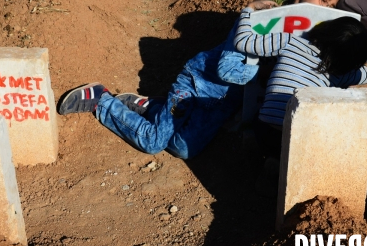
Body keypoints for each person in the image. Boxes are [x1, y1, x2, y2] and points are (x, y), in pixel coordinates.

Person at [57, 19, 259, 159]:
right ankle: (100, 99)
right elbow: (227, 70)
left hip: (219, 104)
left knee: (183, 149)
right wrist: (262, 72)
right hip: (195, 85)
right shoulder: (258, 20)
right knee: (152, 142)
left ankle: (153, 107)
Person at [234, 0, 367, 158]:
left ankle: (266, 158)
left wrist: (249, 9)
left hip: (265, 131)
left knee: (263, 123)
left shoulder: (292, 41)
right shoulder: (340, 72)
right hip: (301, 143)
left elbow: (243, 42)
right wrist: (350, 63)